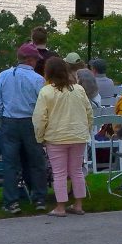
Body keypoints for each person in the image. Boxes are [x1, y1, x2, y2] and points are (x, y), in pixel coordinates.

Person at [32, 57, 92, 216]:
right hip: (78, 135)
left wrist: (40, 137)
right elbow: (89, 112)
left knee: (59, 173)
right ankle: (78, 205)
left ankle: (60, 207)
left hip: (56, 136)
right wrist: (86, 129)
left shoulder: (46, 91)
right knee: (76, 171)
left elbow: (39, 118)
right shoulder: (78, 89)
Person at [0, 43, 47, 214]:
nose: (37, 62)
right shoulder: (37, 79)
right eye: (36, 59)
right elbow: (42, 103)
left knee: (10, 163)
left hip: (10, 121)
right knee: (37, 161)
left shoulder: (4, 76)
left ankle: (11, 201)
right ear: (30, 59)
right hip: (30, 121)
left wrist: (0, 117)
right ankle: (39, 198)